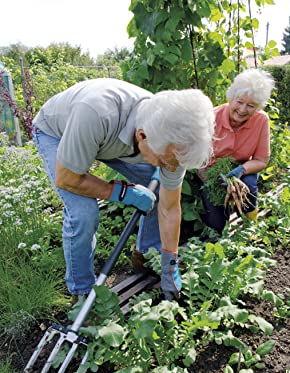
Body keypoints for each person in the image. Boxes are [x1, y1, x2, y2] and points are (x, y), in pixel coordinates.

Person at [32, 78, 215, 301]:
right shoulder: (96, 112)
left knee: (158, 187)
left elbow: (169, 207)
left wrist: (170, 261)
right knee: (83, 212)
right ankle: (81, 293)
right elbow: (67, 178)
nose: (169, 168)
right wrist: (121, 192)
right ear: (141, 136)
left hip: (107, 139)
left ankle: (148, 254)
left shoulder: (172, 143)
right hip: (57, 131)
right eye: (164, 162)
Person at [198, 68, 275, 233]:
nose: (242, 109)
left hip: (244, 167)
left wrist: (241, 170)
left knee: (247, 191)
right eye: (239, 102)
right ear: (231, 97)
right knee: (216, 223)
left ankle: (251, 223)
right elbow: (199, 161)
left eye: (251, 106)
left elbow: (262, 160)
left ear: (257, 107)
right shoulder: (211, 118)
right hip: (212, 172)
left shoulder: (261, 120)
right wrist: (209, 179)